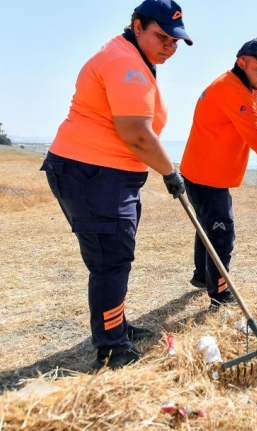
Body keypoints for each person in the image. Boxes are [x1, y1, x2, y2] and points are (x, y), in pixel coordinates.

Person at [39, 0, 192, 370]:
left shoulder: (134, 58)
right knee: (111, 262)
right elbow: (136, 134)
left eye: (174, 42)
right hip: (94, 174)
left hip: (103, 174)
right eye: (161, 37)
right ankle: (112, 349)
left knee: (111, 258)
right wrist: (171, 172)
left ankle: (116, 324)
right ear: (137, 25)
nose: (168, 47)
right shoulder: (125, 62)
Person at [179, 38, 257, 309]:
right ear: (242, 63)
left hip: (202, 170)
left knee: (208, 225)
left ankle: (203, 277)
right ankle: (220, 295)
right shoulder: (231, 90)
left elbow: (249, 128)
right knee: (221, 233)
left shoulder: (244, 86)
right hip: (205, 175)